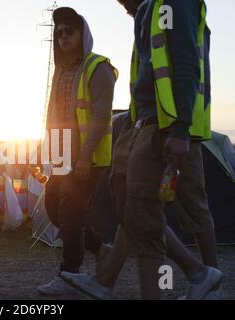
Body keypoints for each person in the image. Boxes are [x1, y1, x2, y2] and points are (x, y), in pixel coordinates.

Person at [61, 0, 223, 300]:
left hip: (166, 127)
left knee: (160, 210)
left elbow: (185, 64)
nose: (120, 3)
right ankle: (199, 277)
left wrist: (179, 128)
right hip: (150, 124)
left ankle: (204, 278)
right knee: (138, 209)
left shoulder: (172, 6)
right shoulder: (149, 12)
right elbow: (151, 75)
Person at [36, 7, 117, 296]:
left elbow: (100, 116)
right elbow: (53, 115)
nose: (63, 36)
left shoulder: (99, 67)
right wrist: (43, 149)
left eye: (69, 30)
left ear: (83, 33)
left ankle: (70, 275)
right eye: (58, 32)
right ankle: (100, 248)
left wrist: (84, 157)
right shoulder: (61, 71)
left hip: (88, 158)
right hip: (60, 156)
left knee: (71, 214)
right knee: (53, 209)